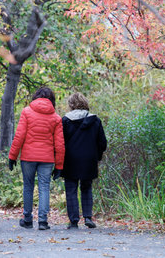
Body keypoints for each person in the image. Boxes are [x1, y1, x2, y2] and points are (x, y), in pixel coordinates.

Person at [8, 87, 65, 230]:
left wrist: (12, 156)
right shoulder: (56, 118)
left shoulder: (27, 112)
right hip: (47, 159)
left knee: (28, 186)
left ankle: (27, 219)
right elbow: (60, 145)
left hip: (28, 157)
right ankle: (43, 221)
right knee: (44, 187)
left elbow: (19, 136)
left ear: (36, 97)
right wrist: (59, 166)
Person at [61, 92, 107, 229]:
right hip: (89, 159)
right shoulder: (95, 120)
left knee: (71, 189)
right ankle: (87, 217)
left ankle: (74, 220)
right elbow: (102, 143)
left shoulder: (65, 120)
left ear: (71, 104)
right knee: (86, 188)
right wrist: (97, 156)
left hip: (70, 159)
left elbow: (60, 142)